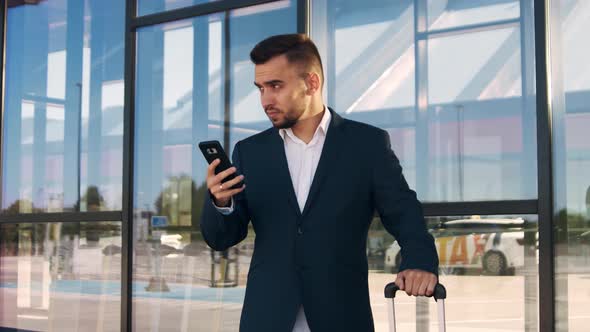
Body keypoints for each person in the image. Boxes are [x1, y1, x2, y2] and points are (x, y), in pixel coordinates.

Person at [200, 34, 438, 332]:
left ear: (312, 83)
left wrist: (419, 262)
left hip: (341, 315)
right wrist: (221, 203)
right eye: (261, 88)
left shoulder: (367, 145)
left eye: (275, 86)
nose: (265, 100)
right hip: (267, 318)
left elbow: (404, 213)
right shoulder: (250, 152)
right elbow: (222, 238)